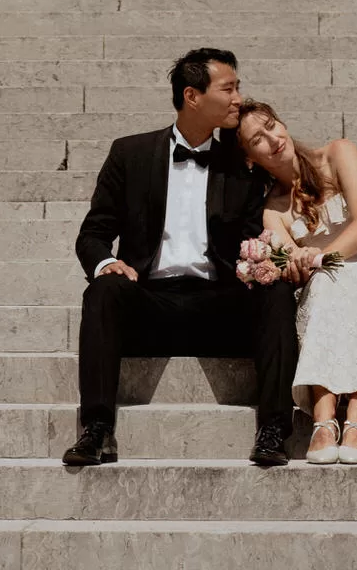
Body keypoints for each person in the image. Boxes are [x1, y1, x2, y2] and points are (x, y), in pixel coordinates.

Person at [66, 47, 299, 469]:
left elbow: (254, 236)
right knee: (103, 289)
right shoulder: (130, 155)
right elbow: (93, 234)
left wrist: (271, 262)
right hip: (150, 303)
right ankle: (97, 428)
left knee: (276, 292)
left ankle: (273, 430)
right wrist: (105, 263)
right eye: (228, 89)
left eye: (237, 88)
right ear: (193, 96)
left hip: (219, 306)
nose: (237, 100)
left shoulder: (241, 167)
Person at [233, 98, 357, 464]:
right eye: (257, 139)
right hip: (330, 291)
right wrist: (300, 263)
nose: (273, 138)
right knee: (330, 281)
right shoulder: (273, 211)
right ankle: (324, 421)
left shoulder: (339, 153)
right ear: (250, 158)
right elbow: (297, 268)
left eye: (272, 125)